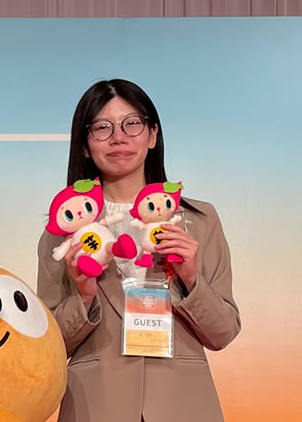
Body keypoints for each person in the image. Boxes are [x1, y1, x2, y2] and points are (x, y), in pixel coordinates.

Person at [37, 79, 240, 422]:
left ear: (152, 135)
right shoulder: (64, 231)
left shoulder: (199, 221)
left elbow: (223, 332)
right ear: (84, 146)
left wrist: (191, 280)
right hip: (95, 406)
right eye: (102, 127)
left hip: (183, 405)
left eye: (131, 124)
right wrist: (83, 298)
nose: (119, 137)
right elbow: (48, 346)